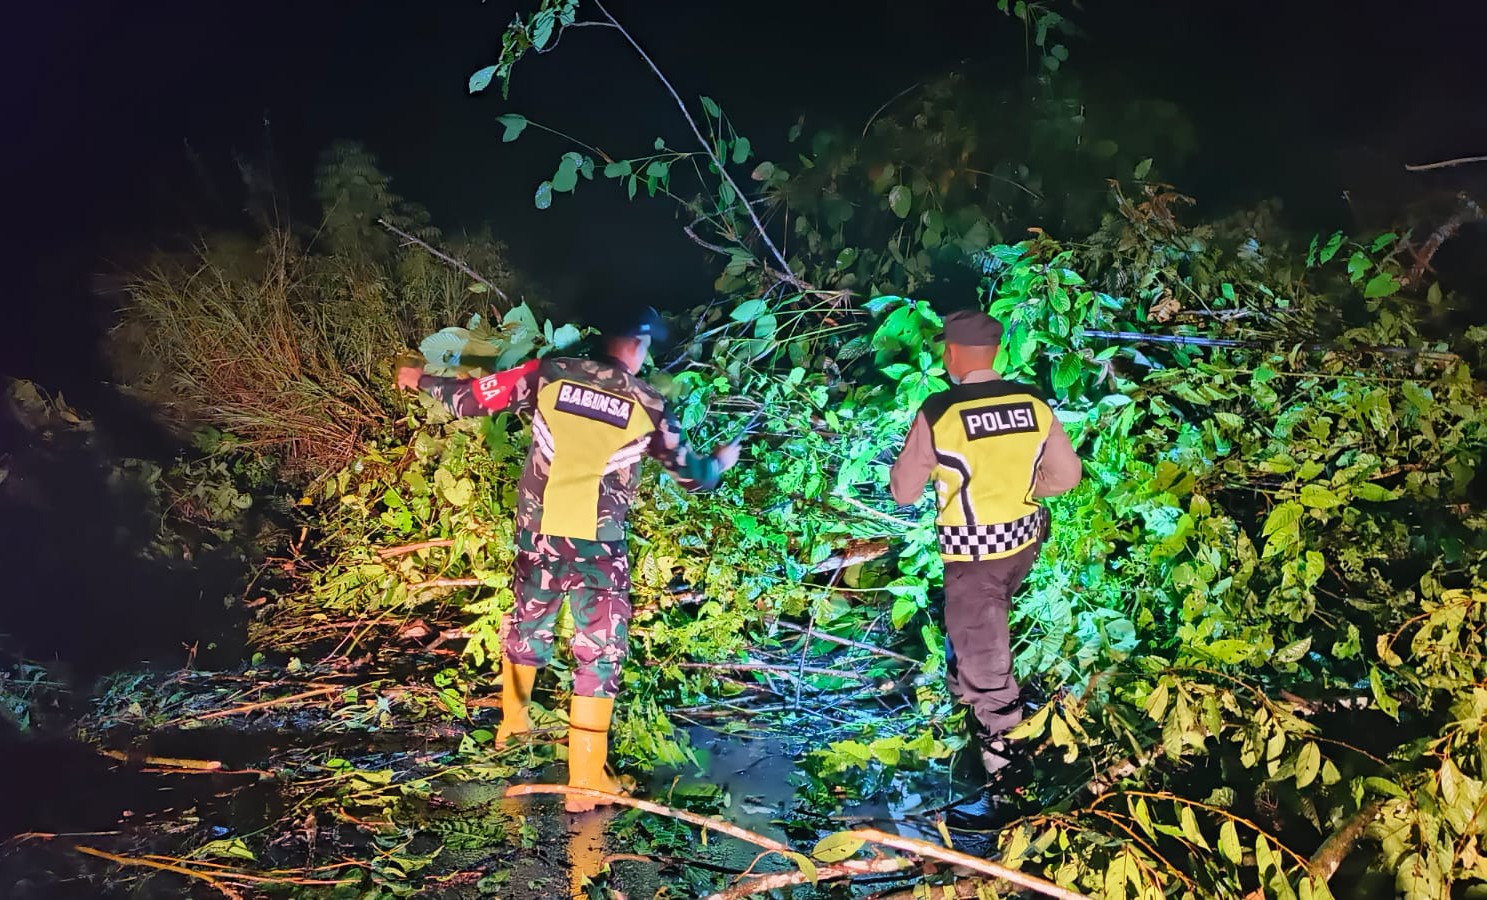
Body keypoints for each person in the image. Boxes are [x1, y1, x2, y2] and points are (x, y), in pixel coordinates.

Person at [397, 307, 741, 813]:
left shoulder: (550, 373)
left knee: (529, 624)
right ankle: (584, 782)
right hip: (598, 548)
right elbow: (693, 476)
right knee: (599, 652)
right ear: (637, 345)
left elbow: (472, 398)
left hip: (539, 536)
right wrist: (722, 462)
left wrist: (418, 379)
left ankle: (513, 733)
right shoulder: (648, 403)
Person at [889, 306, 1082, 824]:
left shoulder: (940, 412)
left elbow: (903, 492)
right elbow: (1067, 475)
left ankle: (1007, 797)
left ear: (951, 354)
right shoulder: (1032, 402)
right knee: (978, 632)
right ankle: (967, 708)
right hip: (1023, 545)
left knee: (990, 675)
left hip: (974, 558)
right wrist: (1019, 491)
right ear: (995, 353)